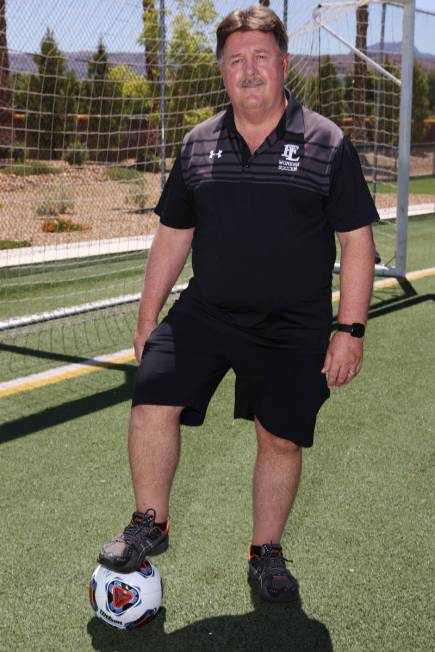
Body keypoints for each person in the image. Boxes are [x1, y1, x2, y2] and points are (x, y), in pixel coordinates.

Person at [98, 5, 378, 603]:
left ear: (282, 65)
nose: (248, 71)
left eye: (260, 58)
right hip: (207, 311)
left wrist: (349, 328)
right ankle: (151, 522)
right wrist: (148, 318)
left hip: (292, 323)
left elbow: (357, 241)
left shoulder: (327, 142)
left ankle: (266, 552)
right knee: (152, 395)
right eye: (235, 61)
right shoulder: (199, 143)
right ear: (222, 72)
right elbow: (173, 234)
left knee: (279, 438)